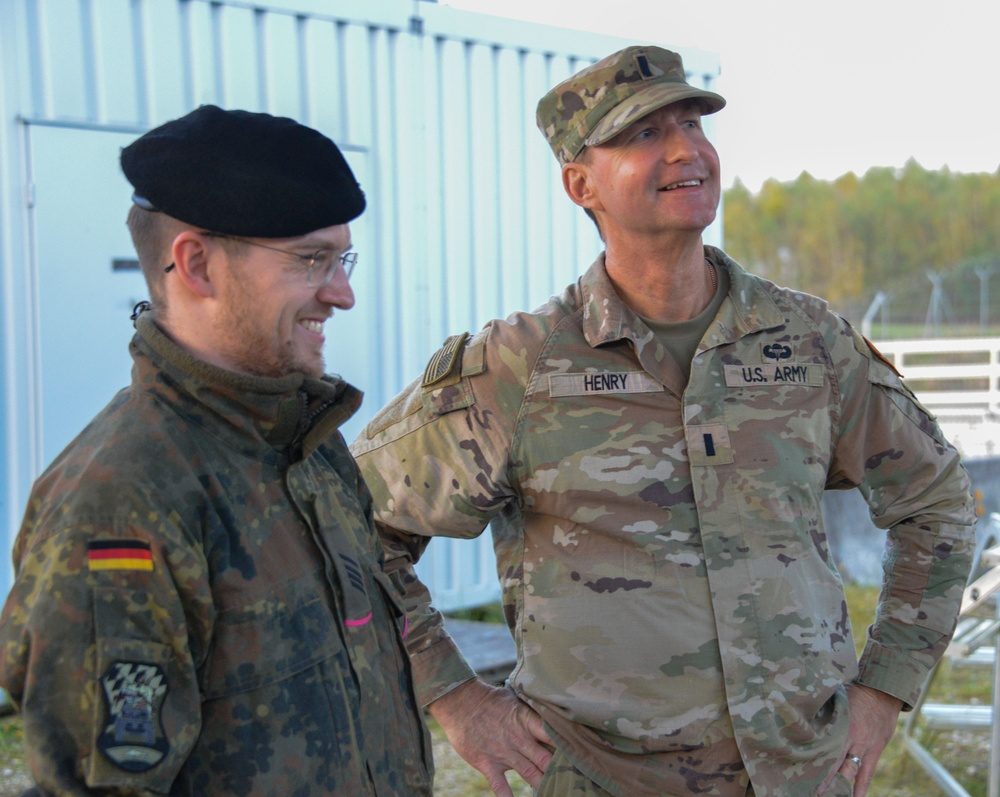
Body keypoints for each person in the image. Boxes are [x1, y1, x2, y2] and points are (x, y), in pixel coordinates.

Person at [350, 45, 975, 797]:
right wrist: (454, 694)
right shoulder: (518, 365)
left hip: (801, 773)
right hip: (603, 778)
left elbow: (935, 499)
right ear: (580, 183)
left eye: (692, 124)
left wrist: (884, 689)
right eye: (643, 134)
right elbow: (352, 529)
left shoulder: (809, 343)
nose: (686, 150)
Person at [0, 105, 432, 796]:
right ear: (196, 264)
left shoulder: (307, 445)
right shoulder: (123, 499)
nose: (342, 292)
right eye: (311, 259)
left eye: (341, 257)